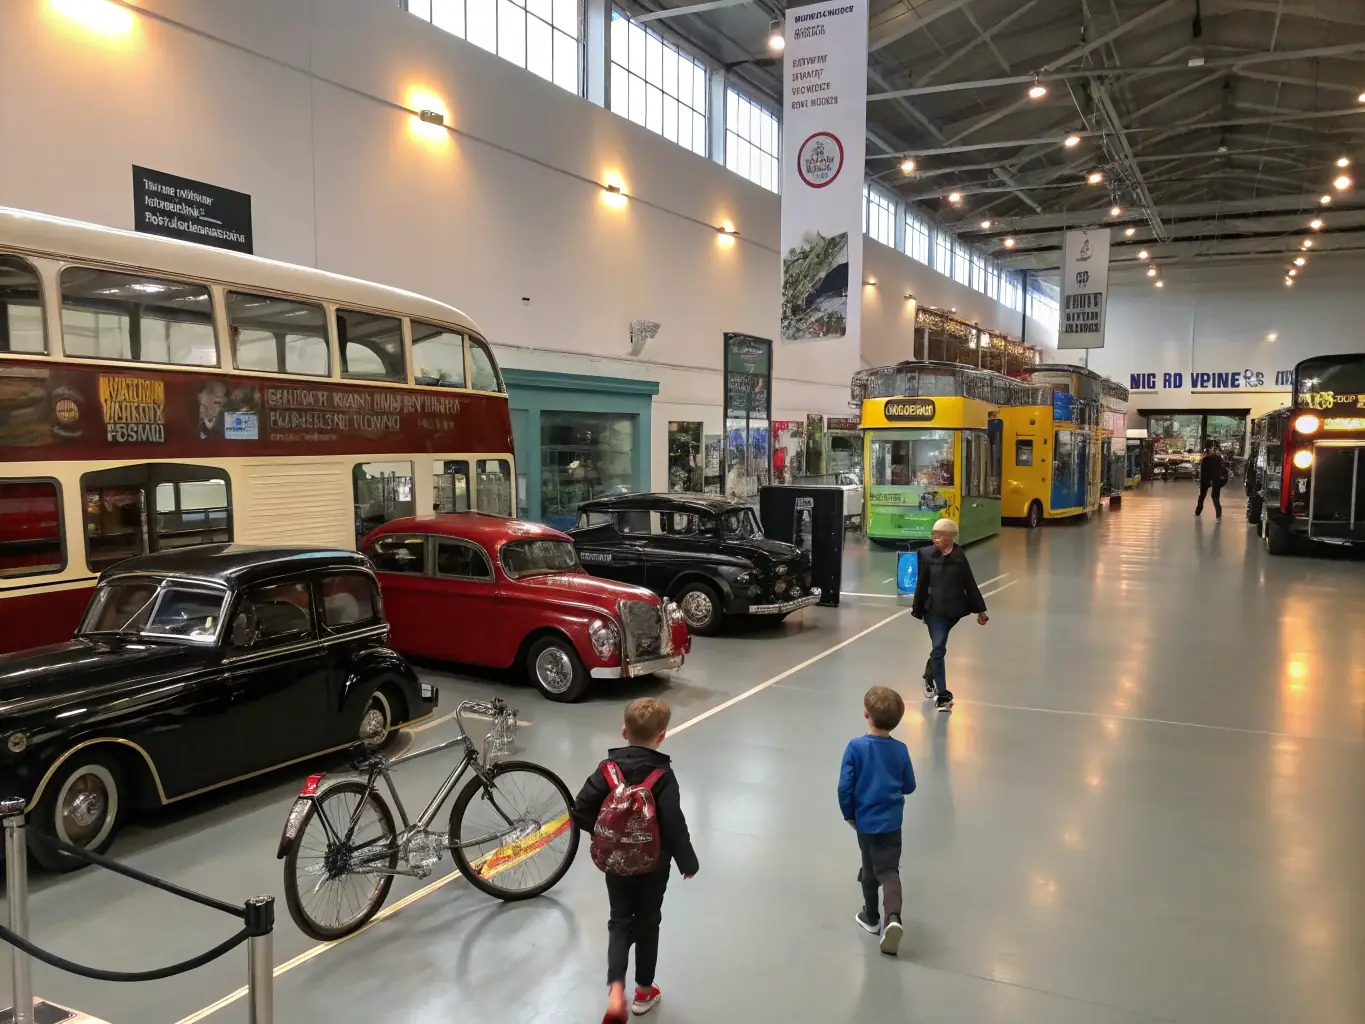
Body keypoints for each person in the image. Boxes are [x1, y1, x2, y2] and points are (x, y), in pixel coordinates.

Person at [572, 698, 699, 1023]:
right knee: (647, 922)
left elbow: (581, 808)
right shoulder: (663, 776)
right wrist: (687, 862)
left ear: (624, 731)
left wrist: (607, 835)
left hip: (616, 862)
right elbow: (673, 822)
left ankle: (616, 988)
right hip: (654, 865)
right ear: (662, 735)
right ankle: (644, 992)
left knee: (619, 920)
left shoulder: (607, 770)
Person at [838, 685, 917, 956]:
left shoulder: (855, 748)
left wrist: (849, 814)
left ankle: (871, 917)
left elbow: (844, 787)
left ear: (866, 715)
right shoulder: (901, 750)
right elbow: (909, 786)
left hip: (865, 823)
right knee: (889, 870)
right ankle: (893, 918)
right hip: (892, 823)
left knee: (869, 868)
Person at [911, 518, 988, 712]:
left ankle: (929, 676)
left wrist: (980, 610)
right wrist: (918, 610)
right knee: (938, 647)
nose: (935, 538)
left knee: (939, 647)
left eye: (940, 535)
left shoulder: (960, 557)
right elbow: (921, 583)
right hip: (933, 611)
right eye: (933, 534)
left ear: (951, 537)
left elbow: (969, 583)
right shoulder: (926, 555)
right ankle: (943, 695)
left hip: (953, 611)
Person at [1196, 441, 1226, 520]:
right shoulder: (1206, 457)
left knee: (1213, 497)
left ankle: (1218, 515)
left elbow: (1222, 467)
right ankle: (1199, 511)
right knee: (1204, 495)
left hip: (1214, 478)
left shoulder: (1216, 457)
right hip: (1208, 478)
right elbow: (1201, 467)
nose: (1211, 450)